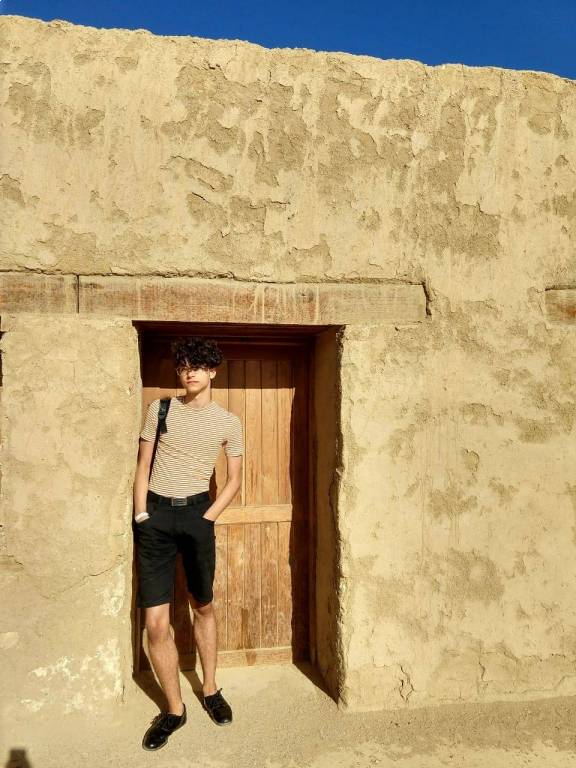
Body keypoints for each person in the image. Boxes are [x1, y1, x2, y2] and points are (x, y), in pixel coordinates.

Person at [132, 336, 244, 751]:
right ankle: (174, 710)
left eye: (196, 365)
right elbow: (143, 465)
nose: (188, 372)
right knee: (155, 623)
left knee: (204, 606)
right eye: (182, 366)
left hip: (197, 513)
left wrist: (207, 517)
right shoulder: (159, 409)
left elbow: (234, 480)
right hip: (156, 518)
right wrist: (142, 514)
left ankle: (210, 688)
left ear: (212, 371)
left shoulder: (228, 422)